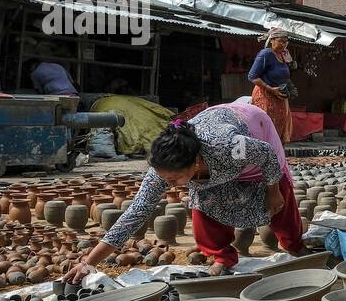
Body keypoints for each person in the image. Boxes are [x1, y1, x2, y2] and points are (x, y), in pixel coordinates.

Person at [67, 102, 305, 281]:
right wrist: (89, 262)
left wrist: (273, 190)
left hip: (254, 126)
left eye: (174, 178)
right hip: (216, 146)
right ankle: (222, 256)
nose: (170, 184)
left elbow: (265, 153)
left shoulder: (229, 146)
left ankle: (294, 244)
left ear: (196, 162)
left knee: (279, 200)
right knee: (203, 201)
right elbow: (135, 213)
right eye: (165, 178)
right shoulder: (163, 170)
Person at [248, 30, 293, 143]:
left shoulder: (283, 55)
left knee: (280, 127)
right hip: (265, 95)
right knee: (267, 127)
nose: (283, 44)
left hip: (280, 96)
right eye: (281, 41)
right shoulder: (266, 54)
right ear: (272, 40)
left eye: (286, 42)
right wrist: (270, 89)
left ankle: (278, 155)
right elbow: (252, 76)